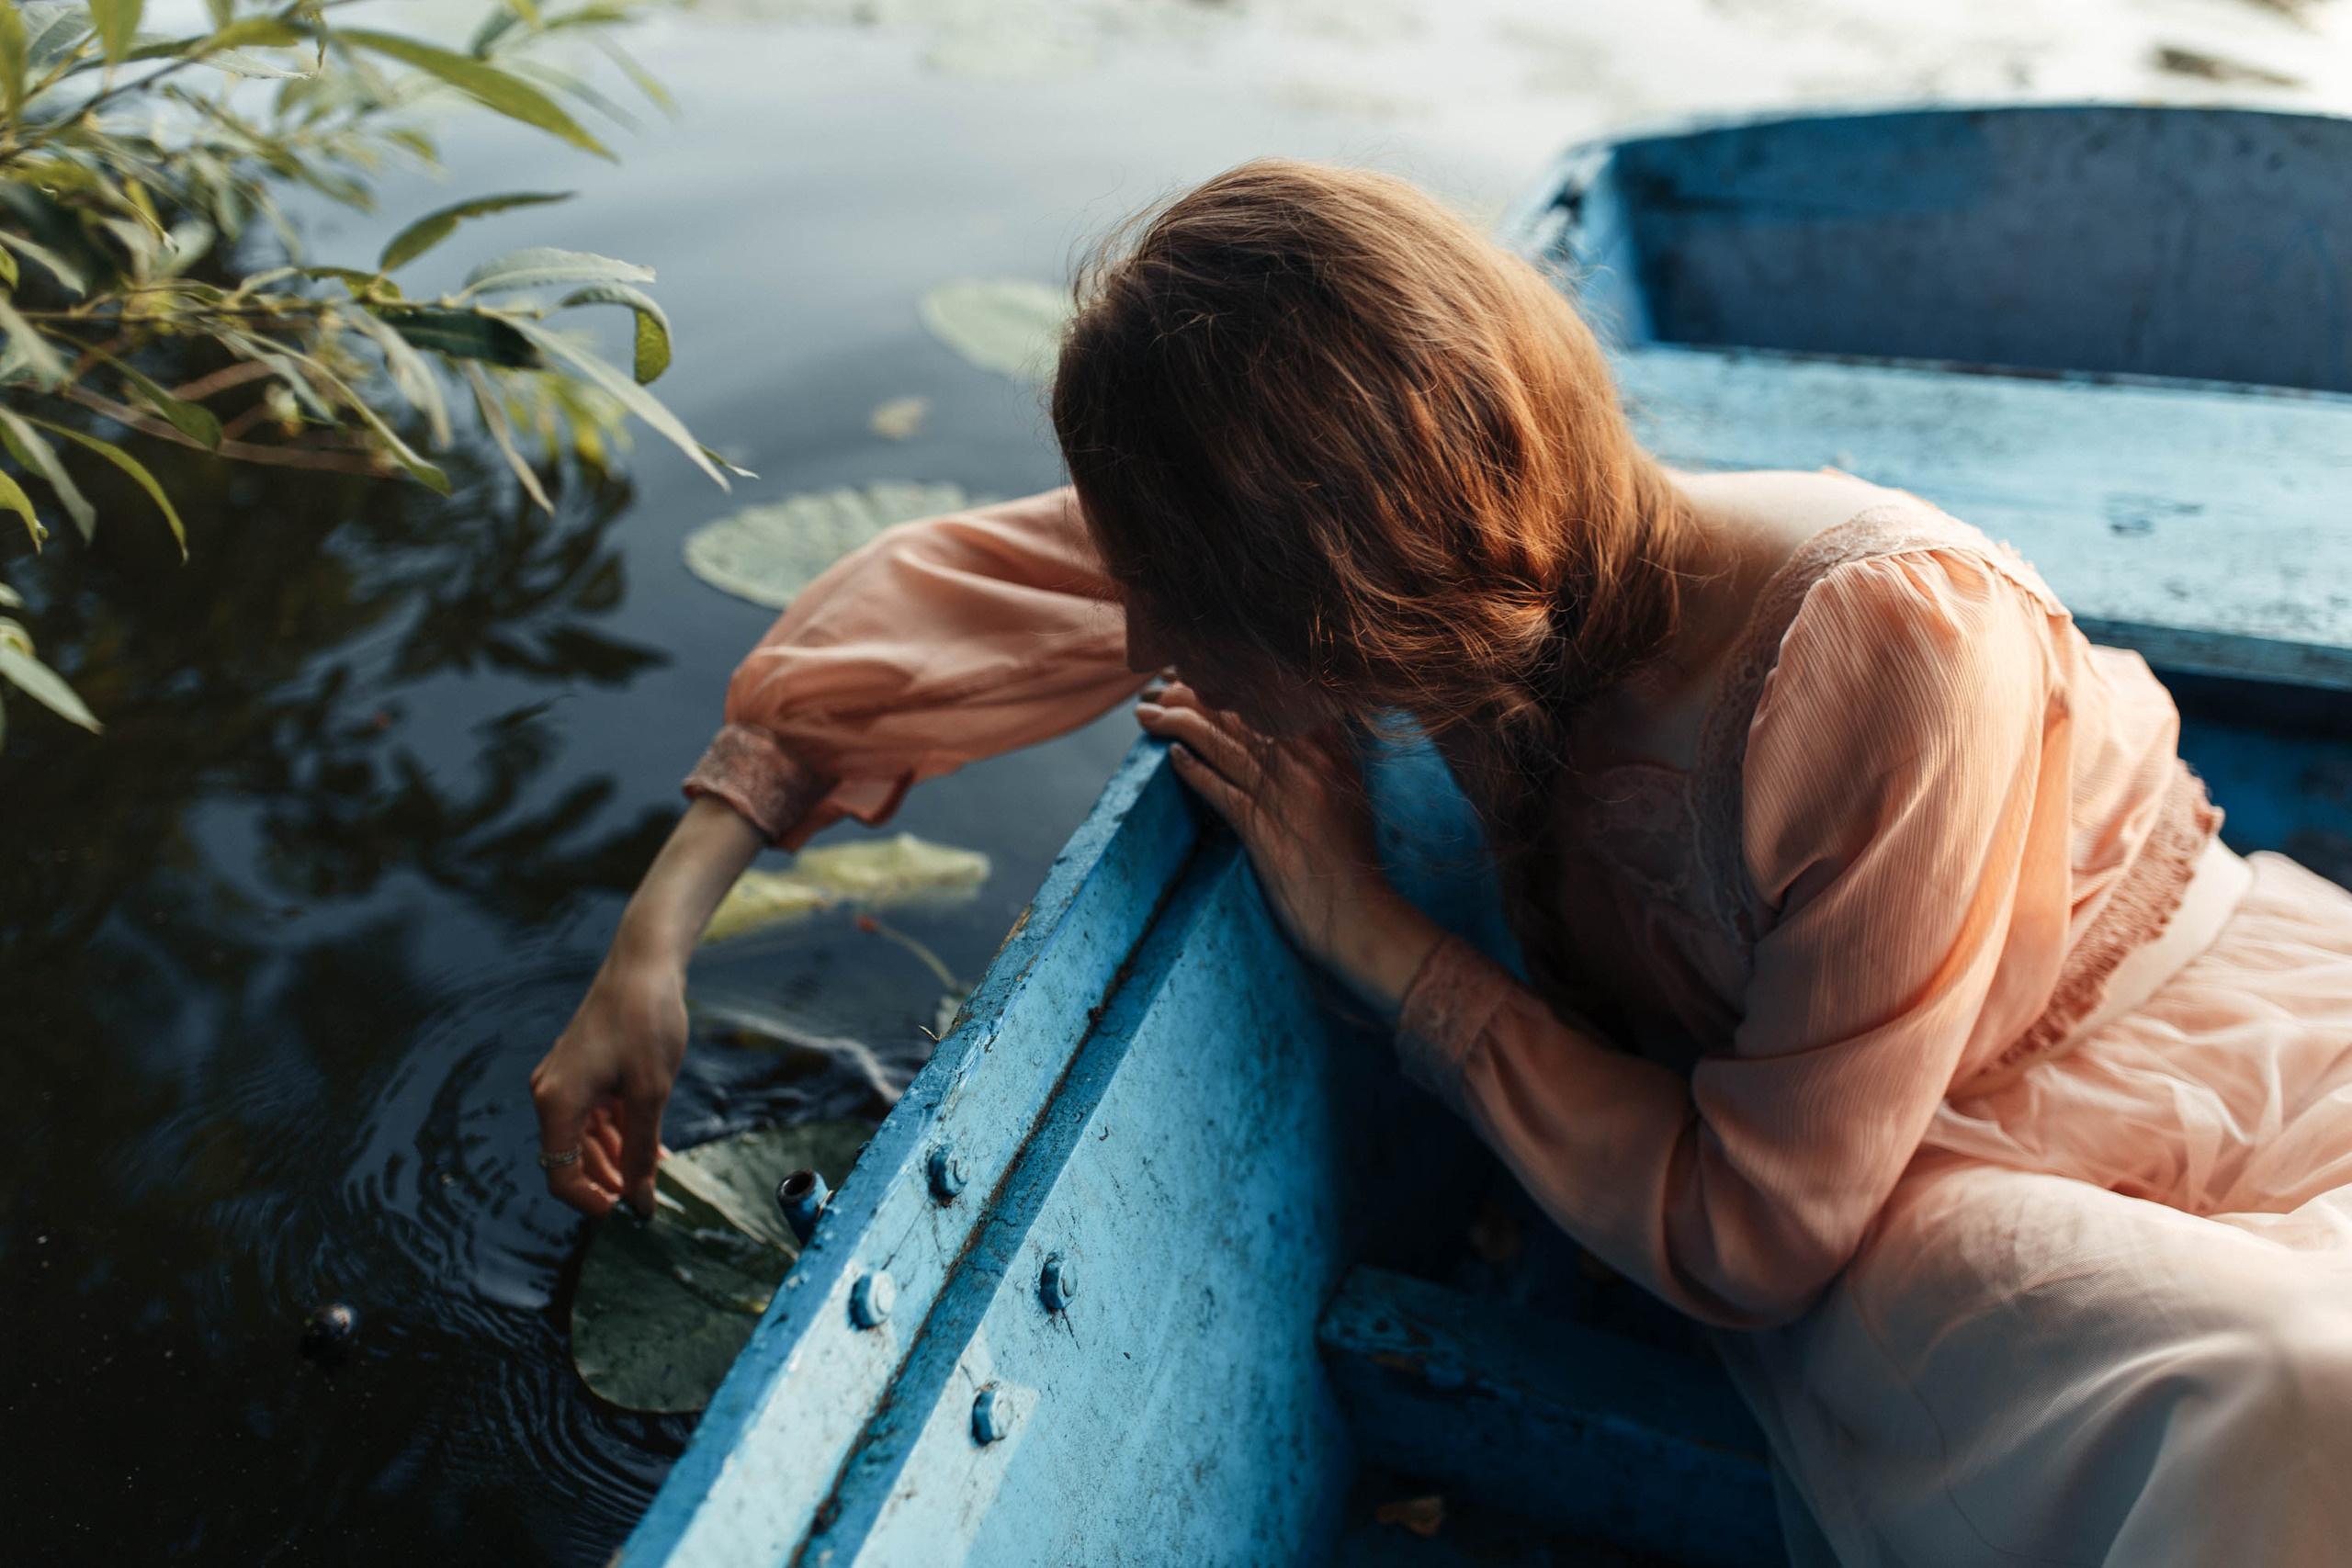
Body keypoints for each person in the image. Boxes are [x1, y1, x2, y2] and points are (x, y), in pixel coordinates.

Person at [529, 160, 2352, 1564]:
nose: (1156, 640)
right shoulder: (1477, 543)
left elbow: (1751, 1227)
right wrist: (656, 939)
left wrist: (1384, 943)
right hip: (1892, 1184)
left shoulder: (1879, 649)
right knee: (2289, 1388)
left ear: (1358, 598)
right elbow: (948, 597)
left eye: (1196, 623)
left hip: (2174, 1054)